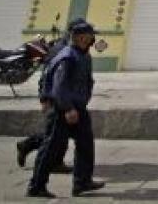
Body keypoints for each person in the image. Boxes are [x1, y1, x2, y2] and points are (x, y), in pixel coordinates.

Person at [27, 20, 104, 198]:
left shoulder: (84, 55)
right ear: (76, 37)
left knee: (85, 144)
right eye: (85, 35)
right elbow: (58, 85)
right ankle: (36, 186)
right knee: (51, 147)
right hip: (63, 108)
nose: (89, 39)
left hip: (79, 107)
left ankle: (82, 182)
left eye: (90, 36)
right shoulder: (67, 56)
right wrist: (67, 108)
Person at [16, 18, 89, 170]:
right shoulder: (60, 49)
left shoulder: (73, 47)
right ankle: (36, 165)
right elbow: (47, 74)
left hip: (68, 97)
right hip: (57, 98)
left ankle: (52, 161)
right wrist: (44, 98)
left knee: (60, 133)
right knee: (55, 134)